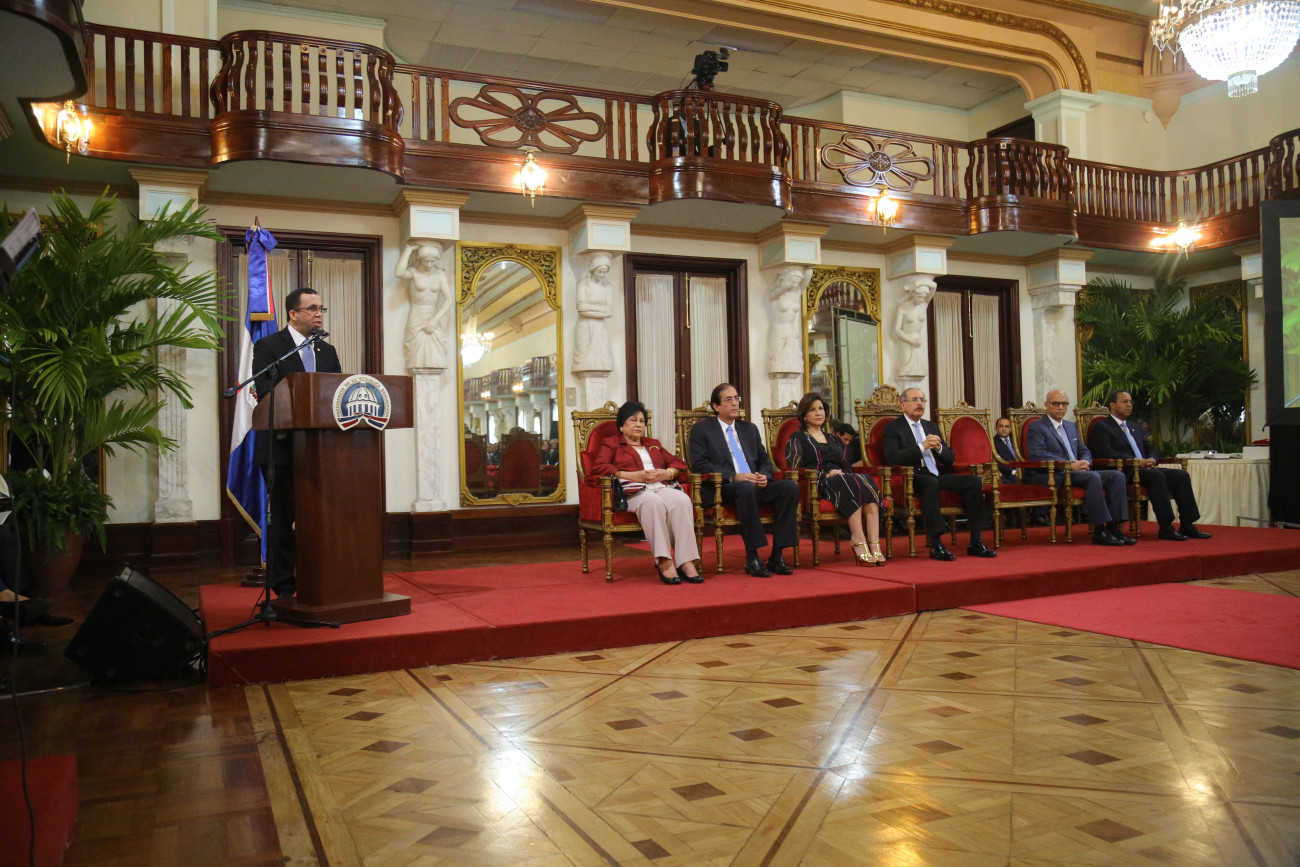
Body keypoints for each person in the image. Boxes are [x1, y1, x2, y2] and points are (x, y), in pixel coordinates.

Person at [253, 288, 342, 598]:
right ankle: (283, 586)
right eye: (312, 308)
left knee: (319, 519)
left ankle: (320, 579)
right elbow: (266, 393)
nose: (319, 314)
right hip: (281, 448)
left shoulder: (326, 351)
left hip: (320, 451)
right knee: (282, 519)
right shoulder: (270, 347)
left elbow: (337, 394)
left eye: (321, 308)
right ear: (293, 314)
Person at [688, 383, 799, 577]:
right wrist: (733, 476)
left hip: (753, 483)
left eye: (736, 398)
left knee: (790, 487)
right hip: (723, 487)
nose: (735, 403)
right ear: (716, 406)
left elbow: (765, 460)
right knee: (745, 487)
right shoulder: (702, 429)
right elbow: (699, 465)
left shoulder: (749, 429)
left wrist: (764, 475)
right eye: (728, 400)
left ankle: (777, 555)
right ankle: (752, 556)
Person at [592, 401, 702, 585]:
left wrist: (668, 473)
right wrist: (630, 475)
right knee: (652, 502)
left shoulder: (653, 444)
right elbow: (599, 467)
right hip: (633, 491)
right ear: (621, 425)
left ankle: (686, 561)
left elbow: (677, 462)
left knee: (682, 500)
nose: (638, 425)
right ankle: (664, 561)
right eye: (633, 420)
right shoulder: (611, 444)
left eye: (642, 421)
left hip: (660, 486)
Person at [882, 387, 996, 560]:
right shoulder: (893, 428)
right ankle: (936, 545)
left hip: (936, 474)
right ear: (902, 404)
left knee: (973, 481)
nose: (920, 403)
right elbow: (892, 457)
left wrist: (939, 448)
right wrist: (922, 447)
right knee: (930, 482)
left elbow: (950, 459)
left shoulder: (931, 426)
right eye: (914, 400)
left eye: (922, 400)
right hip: (912, 477)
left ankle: (976, 541)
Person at [1088, 389, 1211, 541]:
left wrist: (1152, 459)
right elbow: (1105, 452)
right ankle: (1166, 527)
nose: (1129, 405)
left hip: (1145, 468)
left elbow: (1149, 448)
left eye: (1130, 402)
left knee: (1181, 476)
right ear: (1112, 405)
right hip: (1124, 471)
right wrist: (1136, 461)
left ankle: (1187, 524)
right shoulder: (1102, 427)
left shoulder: (1134, 427)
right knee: (1156, 476)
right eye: (1124, 402)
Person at [1025, 389, 1134, 547]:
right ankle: (1099, 530)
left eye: (1064, 404)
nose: (1061, 407)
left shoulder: (1070, 426)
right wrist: (1069, 465)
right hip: (1055, 473)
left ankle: (1114, 528)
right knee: (1093, 477)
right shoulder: (1037, 427)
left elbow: (1084, 450)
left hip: (1078, 470)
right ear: (1047, 405)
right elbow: (1038, 454)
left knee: (1117, 476)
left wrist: (1085, 461)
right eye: (1056, 404)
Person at [786, 392, 884, 565]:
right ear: (804, 415)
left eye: (821, 409)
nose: (818, 413)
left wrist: (842, 472)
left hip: (841, 478)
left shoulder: (833, 439)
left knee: (865, 479)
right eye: (812, 410)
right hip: (817, 482)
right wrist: (826, 474)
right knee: (848, 482)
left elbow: (846, 465)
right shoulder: (798, 438)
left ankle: (874, 545)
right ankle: (858, 540)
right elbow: (795, 469)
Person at [395, 241, 452, 370]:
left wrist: (435, 319)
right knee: (416, 357)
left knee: (436, 357)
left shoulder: (440, 275)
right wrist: (409, 249)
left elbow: (448, 299)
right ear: (420, 259)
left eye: (433, 261)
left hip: (433, 316)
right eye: (426, 261)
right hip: (416, 316)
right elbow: (399, 273)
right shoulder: (414, 272)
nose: (429, 264)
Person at [572, 252, 615, 372]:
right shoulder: (583, 284)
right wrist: (602, 311)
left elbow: (609, 311)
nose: (602, 275)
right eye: (599, 271)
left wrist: (589, 308)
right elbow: (581, 310)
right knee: (585, 361)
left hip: (600, 327)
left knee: (603, 359)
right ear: (592, 269)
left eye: (604, 272)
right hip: (585, 326)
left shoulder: (608, 287)